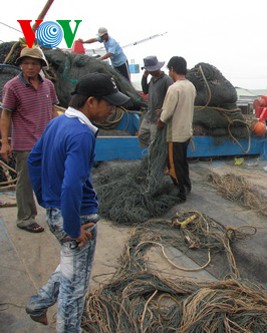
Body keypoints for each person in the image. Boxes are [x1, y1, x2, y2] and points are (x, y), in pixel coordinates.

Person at [25, 73, 130, 331]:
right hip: (78, 219)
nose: (112, 111)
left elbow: (33, 161)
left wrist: (46, 200)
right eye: (110, 104)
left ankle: (38, 304)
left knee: (71, 267)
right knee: (75, 288)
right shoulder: (81, 134)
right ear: (91, 102)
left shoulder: (57, 123)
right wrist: (72, 227)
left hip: (56, 211)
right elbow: (72, 185)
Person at [0, 46, 59, 233]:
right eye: (25, 63)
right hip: (24, 143)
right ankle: (25, 219)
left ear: (41, 65)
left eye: (34, 63)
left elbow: (53, 110)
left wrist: (59, 133)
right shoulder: (12, 87)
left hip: (47, 141)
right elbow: (6, 115)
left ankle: (54, 211)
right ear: (21, 65)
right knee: (25, 182)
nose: (29, 67)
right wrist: (4, 142)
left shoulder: (48, 85)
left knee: (50, 178)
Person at [157, 56, 196, 202]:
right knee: (182, 161)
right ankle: (187, 185)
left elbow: (167, 112)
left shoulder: (174, 88)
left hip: (175, 134)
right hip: (187, 132)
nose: (169, 73)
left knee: (173, 164)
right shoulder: (191, 86)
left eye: (169, 70)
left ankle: (179, 192)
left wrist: (160, 122)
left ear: (172, 69)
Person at [138, 55, 173, 148]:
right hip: (149, 116)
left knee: (154, 142)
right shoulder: (152, 79)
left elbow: (171, 99)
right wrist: (144, 77)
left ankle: (154, 158)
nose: (149, 72)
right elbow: (145, 91)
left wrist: (162, 110)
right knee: (142, 135)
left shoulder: (167, 80)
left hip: (158, 118)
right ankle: (149, 155)